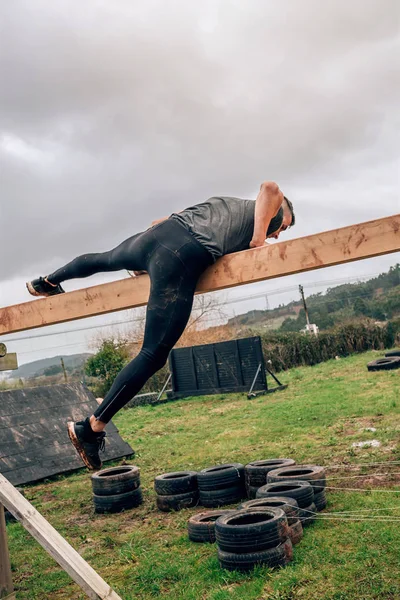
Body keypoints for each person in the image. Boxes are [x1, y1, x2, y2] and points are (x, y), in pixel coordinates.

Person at [27, 181, 295, 469]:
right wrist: (258, 240)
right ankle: (91, 428)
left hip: (156, 237)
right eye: (285, 226)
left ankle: (47, 282)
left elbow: (160, 221)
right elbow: (269, 188)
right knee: (153, 354)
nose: (278, 233)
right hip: (184, 252)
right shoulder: (269, 209)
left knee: (104, 259)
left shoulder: (223, 206)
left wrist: (149, 264)